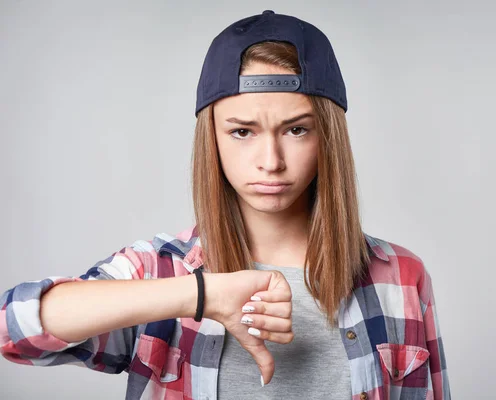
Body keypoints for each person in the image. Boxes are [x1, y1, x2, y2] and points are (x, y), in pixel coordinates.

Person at [0, 9, 451, 400]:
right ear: (212, 139)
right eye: (242, 131)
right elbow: (12, 328)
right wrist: (202, 295)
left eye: (297, 130)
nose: (270, 162)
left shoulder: (401, 278)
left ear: (328, 138)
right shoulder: (158, 271)